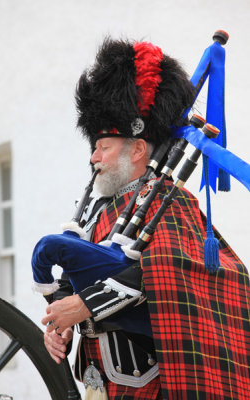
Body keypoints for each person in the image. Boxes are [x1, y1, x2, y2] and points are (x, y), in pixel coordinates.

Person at [39, 38, 250, 399]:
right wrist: (60, 322)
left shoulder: (172, 200)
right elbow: (79, 279)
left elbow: (170, 267)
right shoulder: (99, 210)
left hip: (152, 386)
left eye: (103, 146)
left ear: (137, 149)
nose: (94, 158)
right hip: (99, 384)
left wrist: (86, 305)